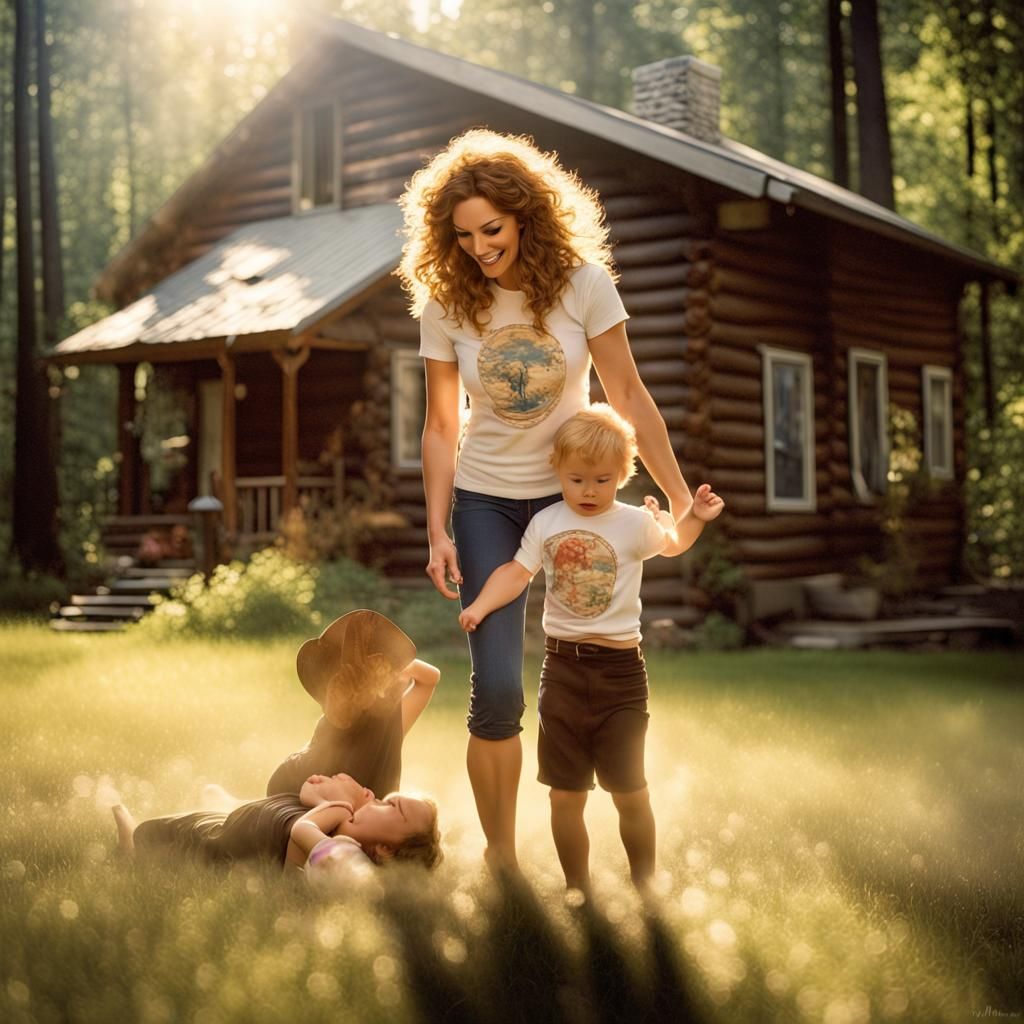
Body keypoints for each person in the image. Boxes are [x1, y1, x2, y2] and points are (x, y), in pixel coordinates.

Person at [397, 128, 706, 872]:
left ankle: (616, 843)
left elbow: (626, 392)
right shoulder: (446, 304)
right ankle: (502, 860)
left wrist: (678, 498)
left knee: (597, 663)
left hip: (572, 500)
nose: (479, 247)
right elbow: (441, 425)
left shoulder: (583, 285)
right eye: (463, 234)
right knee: (498, 689)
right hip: (485, 503)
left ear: (525, 215)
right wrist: (438, 529)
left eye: (492, 229)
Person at [458, 405, 723, 890]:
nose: (588, 491)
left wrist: (696, 518)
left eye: (602, 480)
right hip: (562, 671)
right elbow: (516, 572)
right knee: (564, 795)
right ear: (557, 469)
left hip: (621, 675)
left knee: (630, 792)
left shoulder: (633, 523)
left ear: (622, 475)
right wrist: (480, 606)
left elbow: (672, 542)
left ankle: (645, 885)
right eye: (576, 479)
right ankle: (577, 890)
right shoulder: (547, 522)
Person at [113, 770, 443, 875]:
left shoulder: (339, 851)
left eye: (392, 806)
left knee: (147, 834)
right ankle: (222, 802)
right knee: (216, 812)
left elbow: (301, 837)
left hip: (213, 844)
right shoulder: (340, 824)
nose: (378, 800)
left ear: (385, 848)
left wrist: (331, 807)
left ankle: (129, 847)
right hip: (236, 823)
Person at [265, 609, 440, 799]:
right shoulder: (366, 720)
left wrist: (388, 666)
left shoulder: (384, 719)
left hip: (290, 791)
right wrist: (392, 666)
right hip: (294, 793)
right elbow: (430, 679)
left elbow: (430, 678)